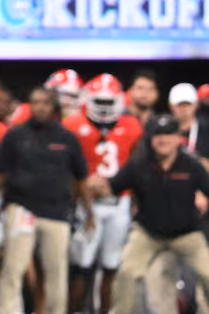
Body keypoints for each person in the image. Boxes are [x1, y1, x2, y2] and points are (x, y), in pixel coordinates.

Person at [0, 87, 91, 314]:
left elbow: (81, 179)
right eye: (35, 102)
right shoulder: (16, 135)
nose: (39, 107)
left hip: (57, 212)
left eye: (44, 103)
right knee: (13, 267)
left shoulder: (68, 138)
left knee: (57, 271)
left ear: (54, 106)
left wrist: (89, 213)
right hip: (22, 208)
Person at [91, 114, 209, 314]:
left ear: (178, 138)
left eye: (168, 135)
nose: (163, 140)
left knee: (207, 274)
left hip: (186, 233)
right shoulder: (138, 164)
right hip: (148, 233)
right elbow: (112, 187)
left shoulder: (192, 165)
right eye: (158, 135)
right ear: (150, 139)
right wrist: (97, 184)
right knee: (126, 273)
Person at [66, 74, 144, 314]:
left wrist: (117, 185)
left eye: (109, 102)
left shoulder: (131, 125)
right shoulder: (72, 124)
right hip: (85, 203)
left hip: (119, 202)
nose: (104, 108)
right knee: (81, 266)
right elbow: (62, 166)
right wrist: (82, 184)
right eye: (100, 101)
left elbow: (138, 166)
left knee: (111, 266)